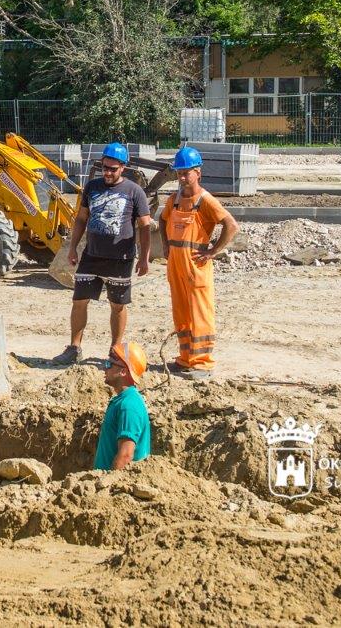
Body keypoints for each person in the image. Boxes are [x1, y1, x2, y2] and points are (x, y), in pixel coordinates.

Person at [52, 142, 152, 366]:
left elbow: (145, 226)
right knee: (79, 300)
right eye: (105, 167)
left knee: (117, 305)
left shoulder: (134, 192)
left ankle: (115, 351)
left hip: (121, 259)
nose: (107, 172)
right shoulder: (92, 187)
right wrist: (72, 248)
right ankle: (74, 348)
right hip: (92, 256)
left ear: (122, 168)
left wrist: (144, 258)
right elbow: (81, 218)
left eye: (112, 169)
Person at [160, 146, 240, 379]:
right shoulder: (173, 200)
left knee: (200, 312)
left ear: (198, 173)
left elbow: (231, 225)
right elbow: (163, 220)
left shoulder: (205, 200)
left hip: (196, 264)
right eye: (179, 173)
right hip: (176, 262)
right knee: (182, 311)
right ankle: (186, 358)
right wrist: (166, 246)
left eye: (186, 173)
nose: (182, 178)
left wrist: (213, 251)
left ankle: (203, 362)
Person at [94, 339, 150, 470]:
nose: (104, 368)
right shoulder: (123, 400)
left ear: (123, 371)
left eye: (109, 364)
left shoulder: (129, 406)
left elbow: (125, 455)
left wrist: (106, 485)